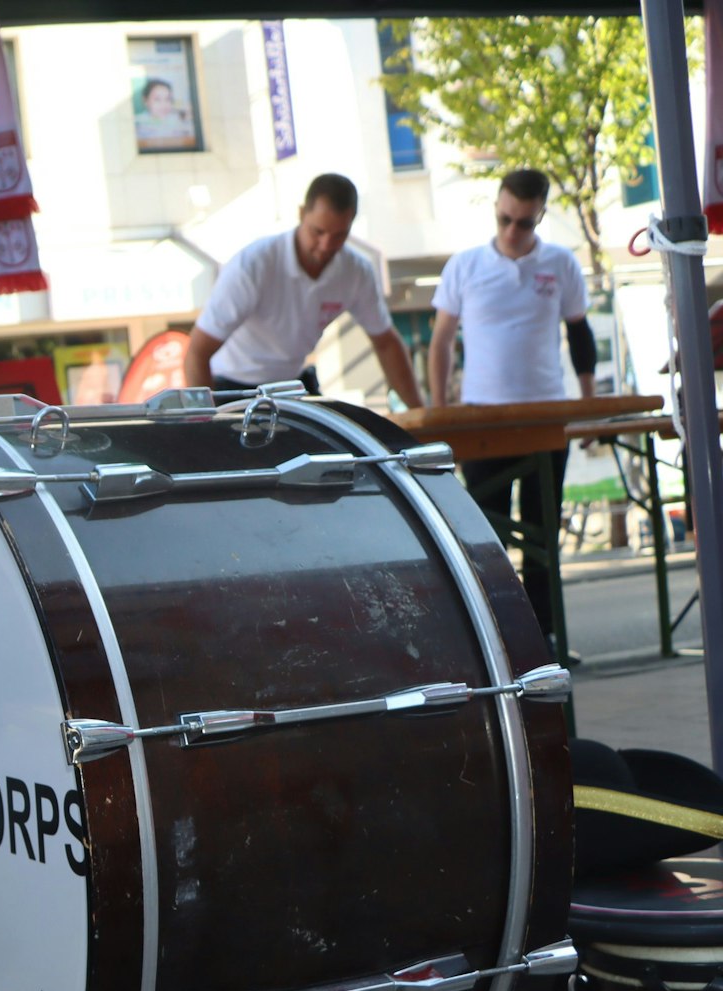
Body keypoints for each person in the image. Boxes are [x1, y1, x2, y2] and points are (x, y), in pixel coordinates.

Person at [428, 167, 596, 647]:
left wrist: (586, 406)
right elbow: (441, 343)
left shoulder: (561, 264)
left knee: (544, 536)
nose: (510, 230)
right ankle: (499, 643)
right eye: (504, 218)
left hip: (545, 416)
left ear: (540, 215)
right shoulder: (465, 265)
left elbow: (580, 334)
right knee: (486, 541)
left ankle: (545, 639)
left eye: (523, 222)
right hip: (484, 419)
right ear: (497, 208)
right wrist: (443, 413)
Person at [184, 172, 424, 407]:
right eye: (318, 232)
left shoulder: (356, 271)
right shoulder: (254, 264)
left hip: (291, 386)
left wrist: (420, 413)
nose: (326, 246)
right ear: (301, 214)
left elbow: (386, 343)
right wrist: (208, 420)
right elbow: (197, 352)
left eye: (340, 235)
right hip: (233, 385)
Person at [133, 77, 193, 150]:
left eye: (168, 99)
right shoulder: (138, 123)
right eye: (157, 99)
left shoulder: (177, 120)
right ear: (146, 101)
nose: (164, 105)